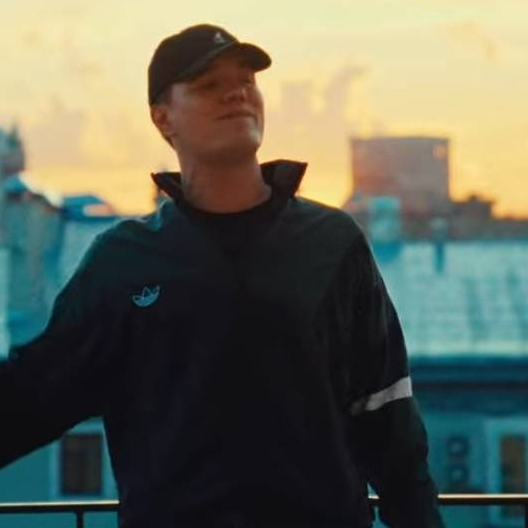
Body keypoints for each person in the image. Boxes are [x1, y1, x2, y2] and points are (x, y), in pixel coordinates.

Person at [0, 23, 445, 528]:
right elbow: (36, 393)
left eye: (246, 80)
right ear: (162, 117)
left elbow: (387, 415)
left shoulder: (331, 243)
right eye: (209, 84)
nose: (237, 93)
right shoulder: (125, 261)